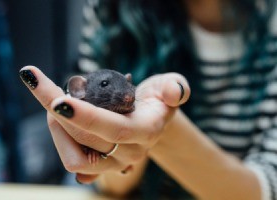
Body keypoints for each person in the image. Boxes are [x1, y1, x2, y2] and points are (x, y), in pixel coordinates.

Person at [19, 0, 277, 199]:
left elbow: (268, 187)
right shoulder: (110, 7)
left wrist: (162, 128)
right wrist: (108, 151)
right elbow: (110, 185)